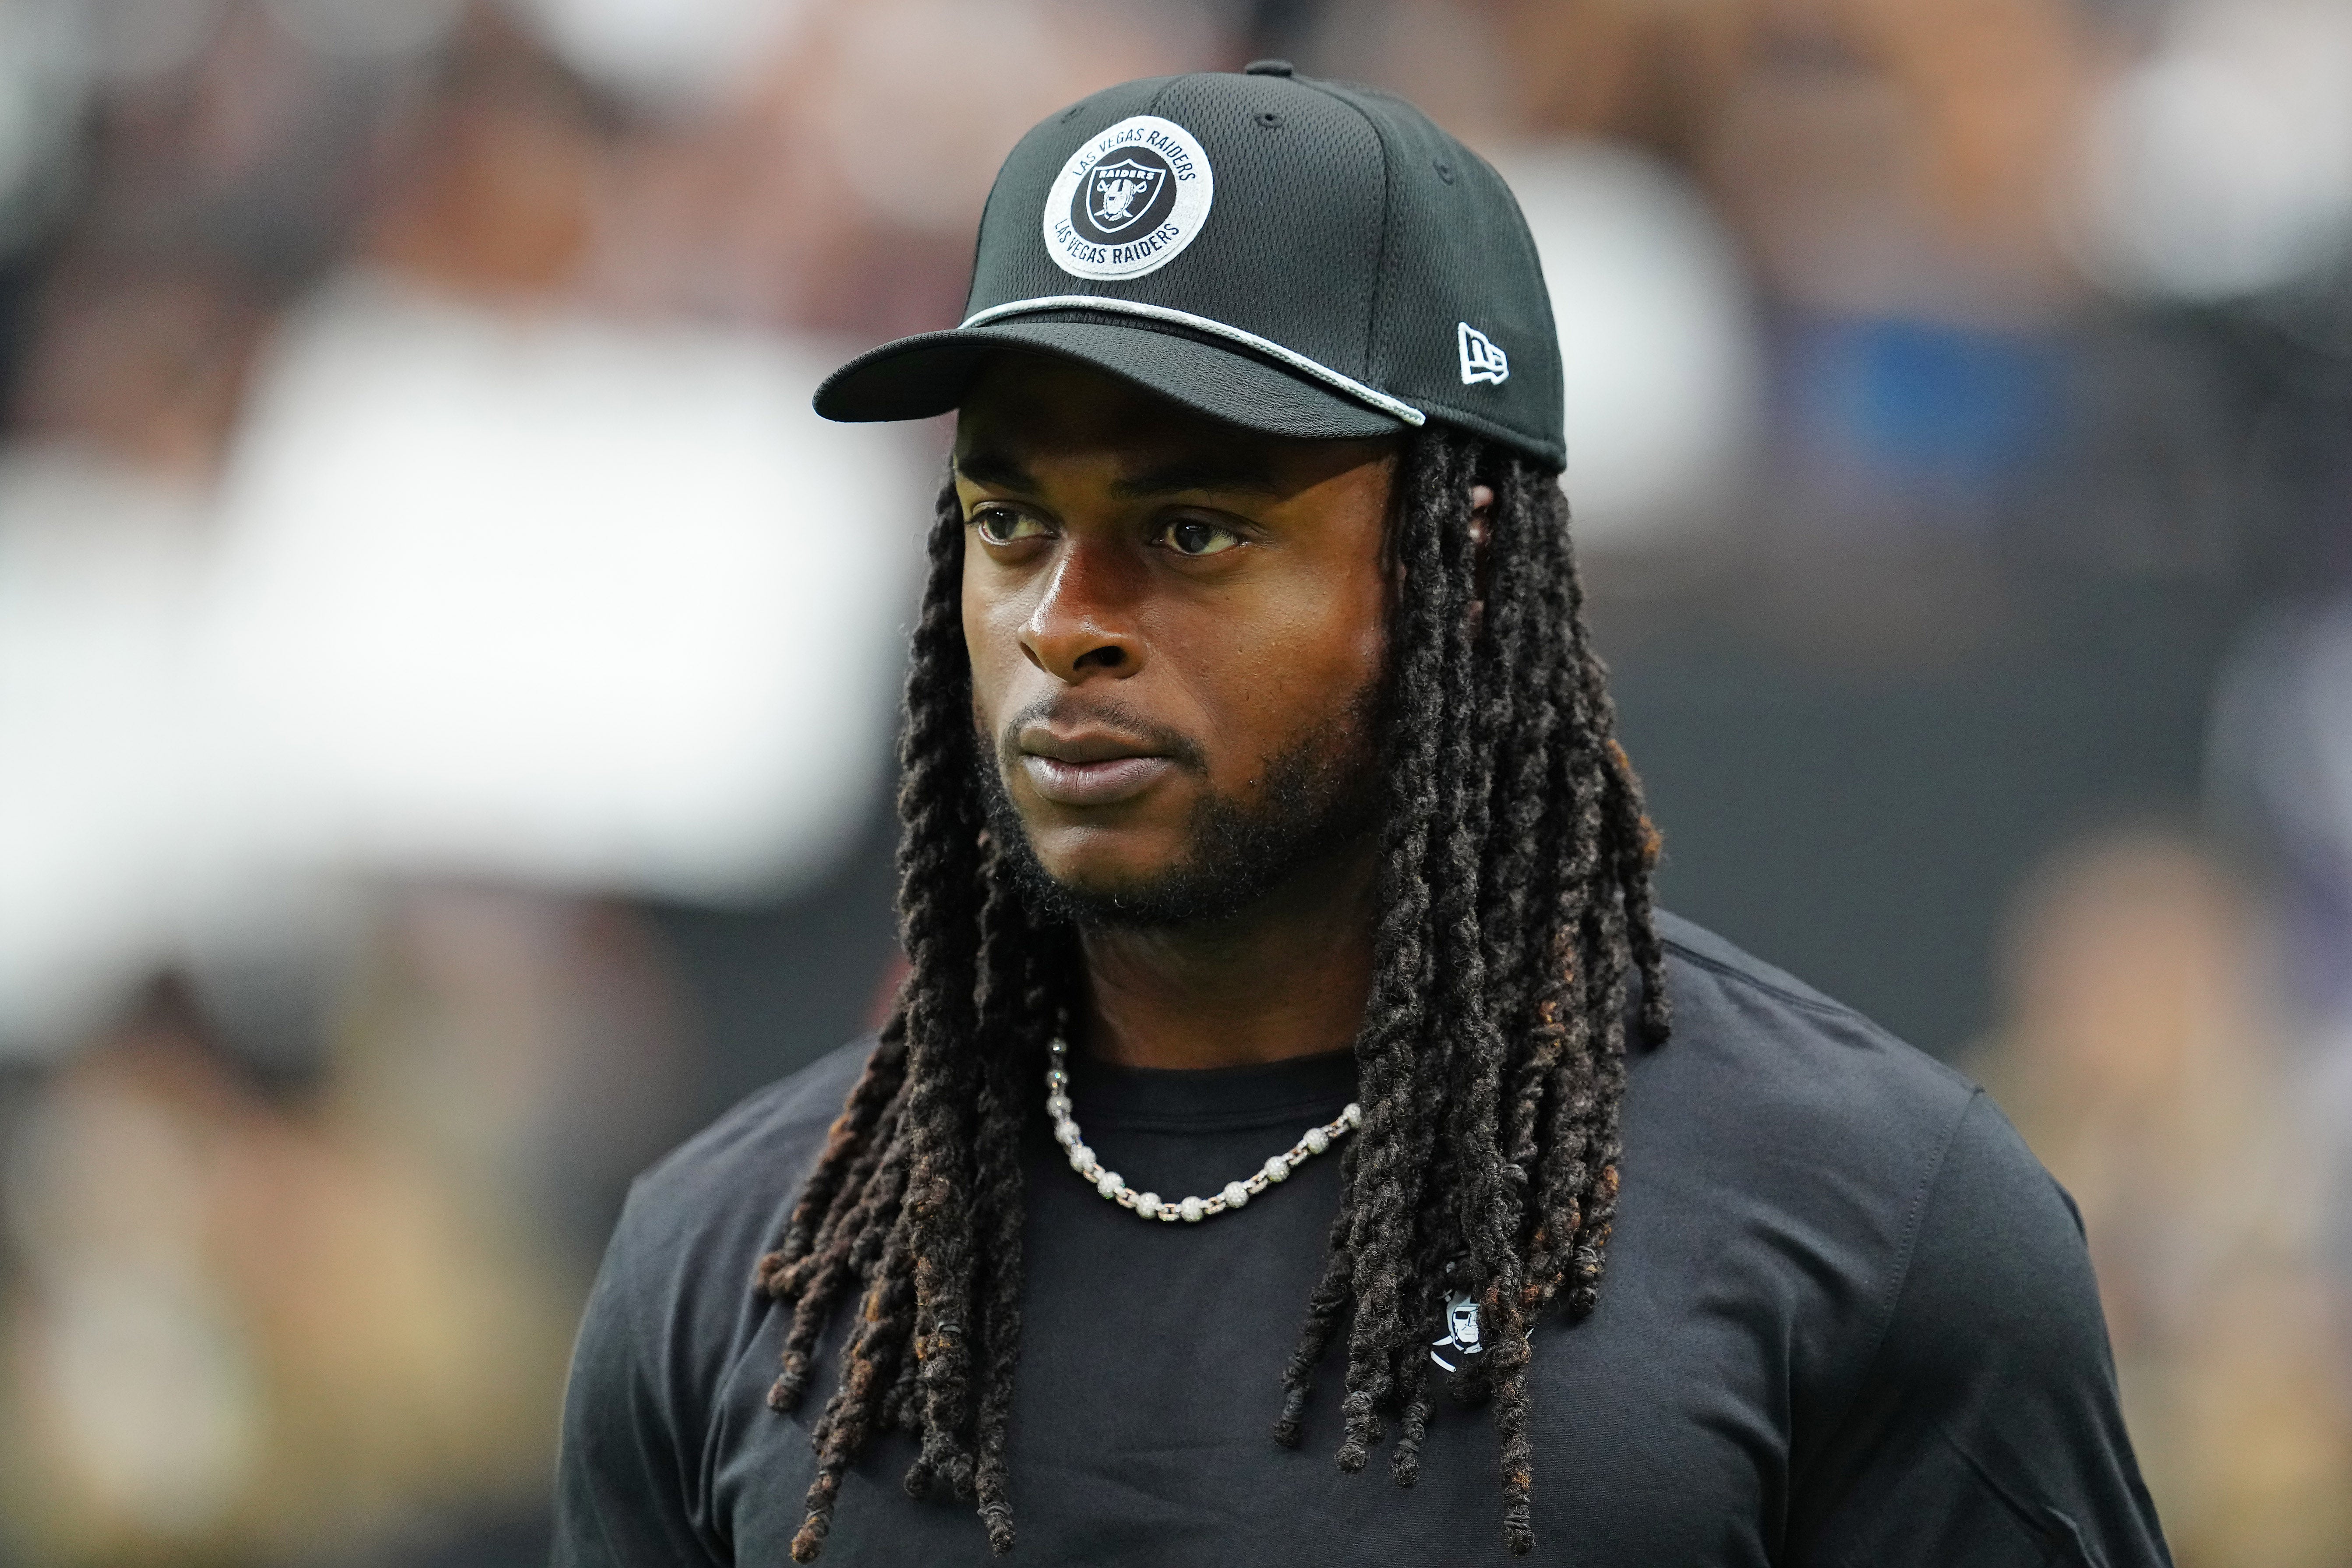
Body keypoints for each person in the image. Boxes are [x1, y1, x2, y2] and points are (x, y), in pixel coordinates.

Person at [551, 65, 2169, 1566]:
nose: (1062, 621)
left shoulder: (1873, 1229)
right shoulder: (730, 1256)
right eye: (1011, 521)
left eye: (1191, 529)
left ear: (1458, 566)